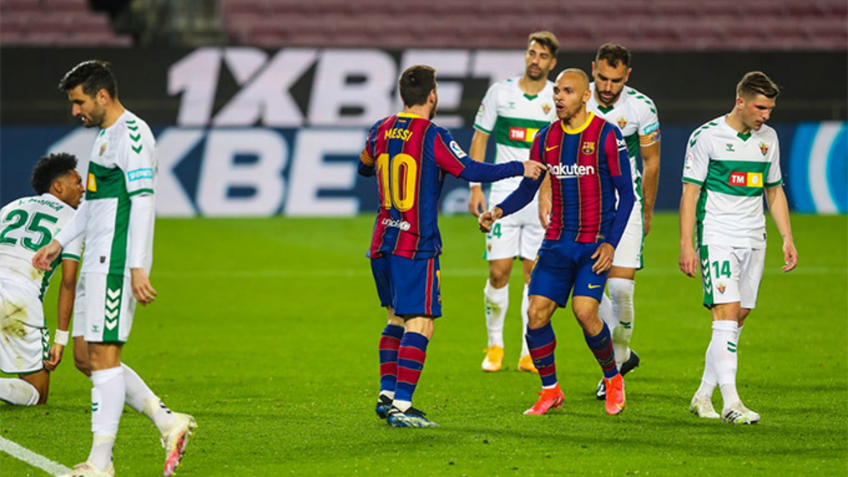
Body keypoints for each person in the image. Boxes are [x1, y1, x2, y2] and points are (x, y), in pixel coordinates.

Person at [33, 60, 196, 477]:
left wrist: (138, 266)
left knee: (106, 357)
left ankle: (100, 462)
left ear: (102, 95)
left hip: (116, 259)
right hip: (96, 258)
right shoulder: (105, 136)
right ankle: (167, 421)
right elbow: (93, 204)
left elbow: (142, 201)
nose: (75, 111)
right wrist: (59, 242)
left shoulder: (134, 135)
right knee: (87, 358)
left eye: (79, 101)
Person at [360, 65, 546, 428]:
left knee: (394, 318)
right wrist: (519, 167)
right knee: (422, 322)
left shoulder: (379, 129)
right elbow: (471, 169)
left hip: (382, 239)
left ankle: (386, 394)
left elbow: (364, 167)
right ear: (433, 96)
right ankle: (402, 404)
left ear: (402, 97)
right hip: (415, 243)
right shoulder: (433, 135)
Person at [480, 68, 635, 416]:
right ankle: (550, 390)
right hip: (556, 243)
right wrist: (499, 210)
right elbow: (528, 188)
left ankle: (612, 378)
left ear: (585, 96)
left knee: (585, 312)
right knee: (535, 314)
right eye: (557, 92)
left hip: (593, 244)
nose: (558, 97)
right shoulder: (545, 139)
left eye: (567, 91)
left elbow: (627, 195)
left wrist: (611, 243)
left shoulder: (607, 136)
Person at [679, 71, 797, 424]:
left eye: (771, 109)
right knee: (726, 313)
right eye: (761, 107)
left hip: (753, 237)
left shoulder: (769, 139)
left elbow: (773, 190)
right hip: (717, 235)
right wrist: (687, 244)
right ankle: (732, 403)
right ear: (740, 101)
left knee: (738, 317)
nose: (766, 115)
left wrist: (787, 237)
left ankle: (703, 395)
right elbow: (690, 193)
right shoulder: (707, 136)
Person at [467, 31, 559, 374]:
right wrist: (476, 186)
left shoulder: (557, 98)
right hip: (503, 195)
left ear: (552, 63)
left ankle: (526, 350)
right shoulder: (500, 93)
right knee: (498, 271)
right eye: (532, 53)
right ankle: (494, 344)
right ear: (526, 55)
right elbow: (480, 137)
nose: (536, 60)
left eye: (543, 56)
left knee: (533, 276)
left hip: (541, 200)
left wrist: (550, 194)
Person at [0, 153, 84, 406]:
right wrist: (60, 339)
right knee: (37, 393)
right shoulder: (74, 220)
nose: (83, 189)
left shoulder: (12, 206)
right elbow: (68, 282)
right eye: (77, 182)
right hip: (19, 301)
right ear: (58, 186)